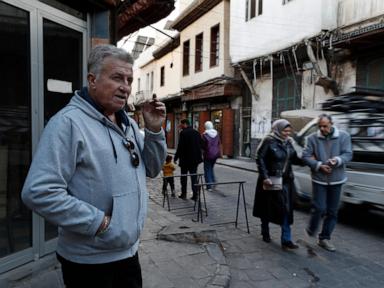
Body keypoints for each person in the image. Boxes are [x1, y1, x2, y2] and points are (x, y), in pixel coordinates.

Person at [21, 44, 167, 288]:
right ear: (93, 80)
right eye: (117, 77)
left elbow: (152, 169)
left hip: (129, 253)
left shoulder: (128, 124)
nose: (126, 87)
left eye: (129, 80)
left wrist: (153, 131)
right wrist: (100, 223)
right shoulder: (67, 124)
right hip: (90, 263)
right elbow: (38, 192)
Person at [303, 113, 352, 252]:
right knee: (319, 208)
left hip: (337, 179)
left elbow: (348, 154)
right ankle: (311, 229)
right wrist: (319, 165)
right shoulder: (312, 138)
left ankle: (324, 238)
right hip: (319, 179)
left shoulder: (344, 136)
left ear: (331, 124)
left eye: (325, 126)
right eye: (320, 126)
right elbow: (305, 156)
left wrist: (337, 160)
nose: (322, 129)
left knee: (332, 211)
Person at [252, 119, 302, 250]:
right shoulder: (268, 140)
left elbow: (295, 158)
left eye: (289, 131)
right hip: (271, 180)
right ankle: (265, 231)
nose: (287, 133)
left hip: (286, 181)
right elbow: (259, 158)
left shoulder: (289, 142)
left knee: (286, 209)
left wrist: (298, 148)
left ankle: (286, 239)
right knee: (267, 207)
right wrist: (265, 177)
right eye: (285, 131)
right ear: (278, 129)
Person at [174, 118, 202, 200]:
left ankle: (184, 194)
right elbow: (201, 144)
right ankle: (195, 195)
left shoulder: (183, 133)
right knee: (193, 177)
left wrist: (176, 157)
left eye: (181, 124)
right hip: (195, 160)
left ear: (185, 124)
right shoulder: (196, 132)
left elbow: (180, 147)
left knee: (184, 177)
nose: (180, 126)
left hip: (185, 160)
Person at [201, 121, 222, 191]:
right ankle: (213, 182)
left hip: (207, 154)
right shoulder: (216, 133)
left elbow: (203, 146)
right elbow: (219, 143)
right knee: (211, 168)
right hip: (215, 154)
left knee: (207, 169)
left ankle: (209, 186)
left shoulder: (204, 135)